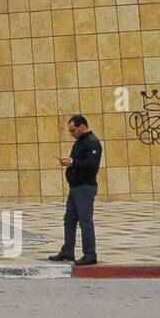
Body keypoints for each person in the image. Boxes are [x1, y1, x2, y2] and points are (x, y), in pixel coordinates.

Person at [49, 114, 102, 266]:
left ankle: (90, 254)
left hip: (85, 187)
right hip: (75, 187)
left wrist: (72, 162)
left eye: (73, 131)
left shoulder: (92, 142)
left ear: (82, 127)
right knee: (69, 219)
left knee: (85, 221)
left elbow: (92, 165)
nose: (72, 134)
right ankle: (67, 251)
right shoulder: (80, 141)